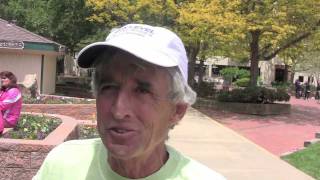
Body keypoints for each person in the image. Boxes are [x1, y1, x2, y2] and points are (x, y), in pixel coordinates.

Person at [33, 24, 226, 180]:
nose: (119, 110)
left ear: (177, 111)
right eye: (108, 87)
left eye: (142, 91)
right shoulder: (63, 164)